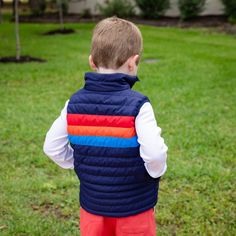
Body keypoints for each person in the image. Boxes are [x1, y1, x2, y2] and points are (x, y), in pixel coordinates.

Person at [43, 17, 168, 236]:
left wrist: (81, 163)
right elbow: (155, 154)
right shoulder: (138, 105)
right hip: (135, 209)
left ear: (92, 61)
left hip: (93, 208)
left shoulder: (74, 103)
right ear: (133, 61)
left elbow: (51, 147)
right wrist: (154, 173)